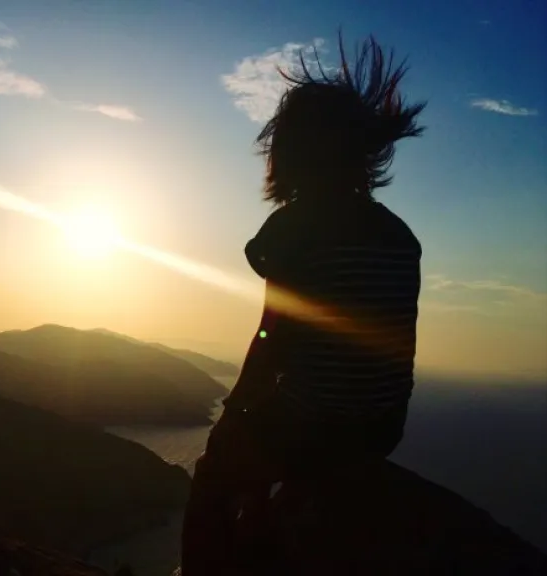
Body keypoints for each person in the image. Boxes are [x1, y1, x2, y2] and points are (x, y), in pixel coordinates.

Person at [181, 33, 427, 576]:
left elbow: (273, 338)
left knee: (214, 470)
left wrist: (232, 415)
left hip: (316, 426)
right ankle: (277, 521)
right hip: (382, 428)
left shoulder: (295, 228)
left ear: (291, 152)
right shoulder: (400, 236)